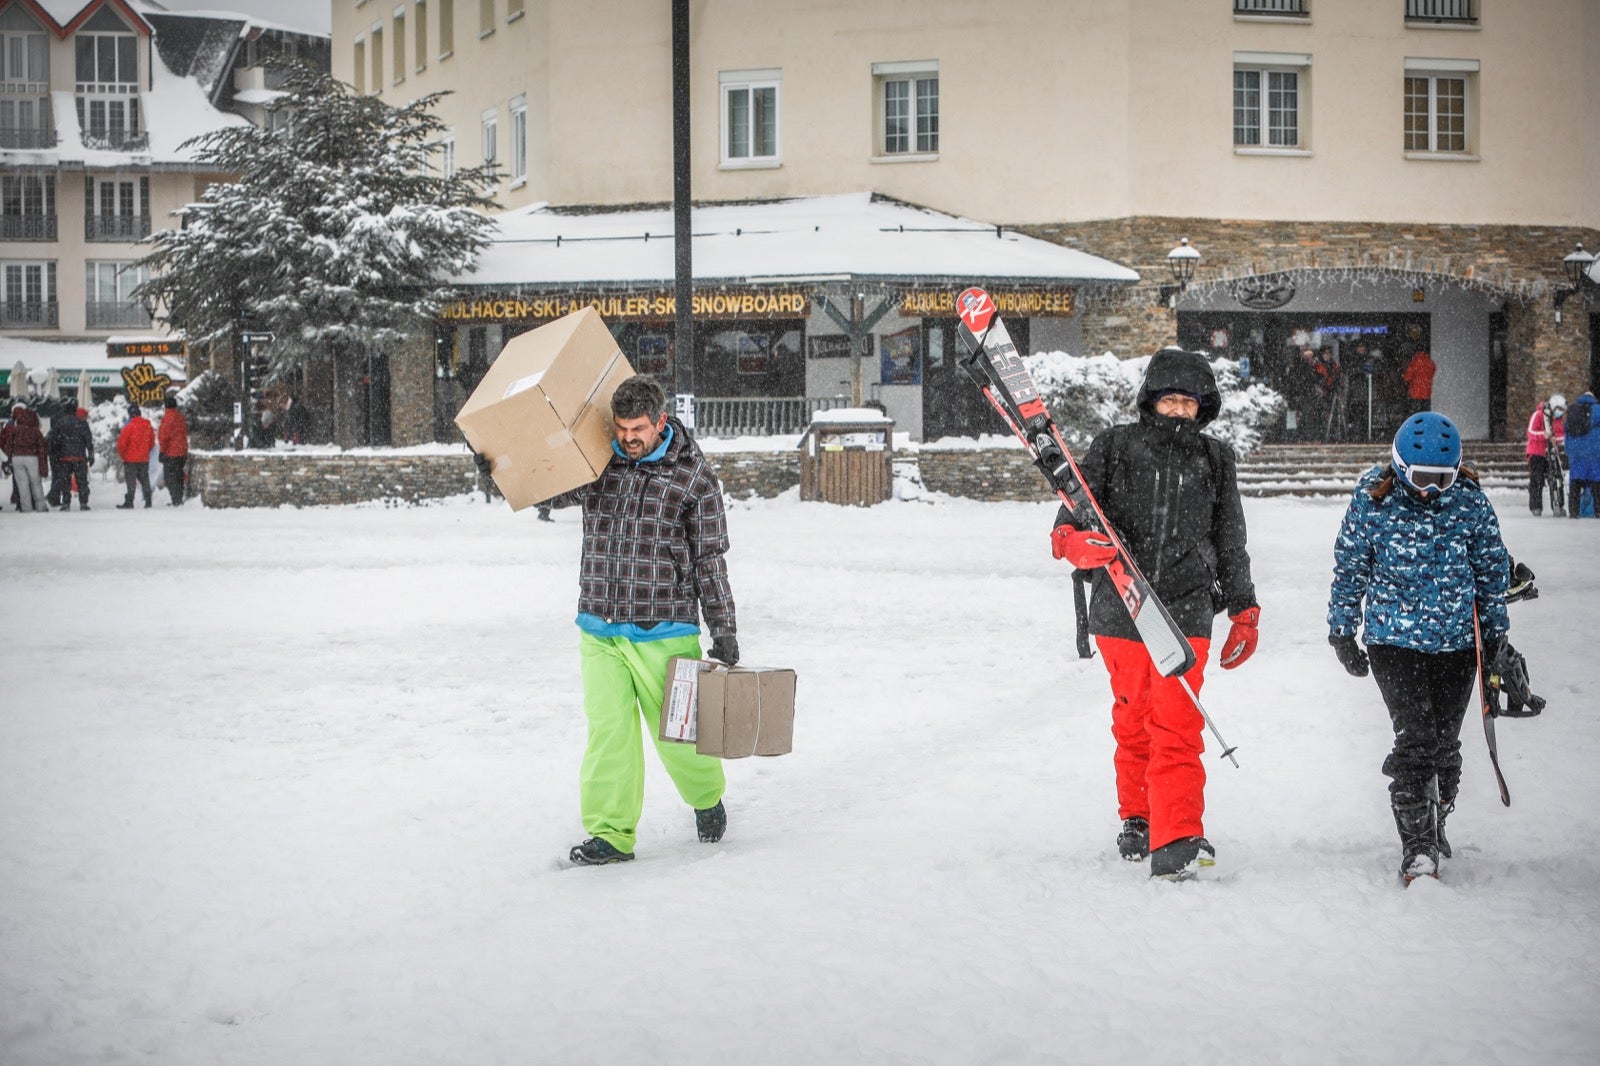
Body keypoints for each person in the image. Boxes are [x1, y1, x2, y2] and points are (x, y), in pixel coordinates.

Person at [1049, 347, 1259, 881]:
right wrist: (1072, 543)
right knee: (1134, 720)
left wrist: (1244, 608)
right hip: (1121, 607)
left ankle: (1179, 836)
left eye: (1190, 402)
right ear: (1152, 400)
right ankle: (1138, 817)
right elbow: (1073, 511)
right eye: (1171, 399)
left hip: (1187, 608)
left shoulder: (1215, 458)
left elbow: (1231, 536)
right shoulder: (1115, 446)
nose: (1180, 409)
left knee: (1179, 726)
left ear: (1204, 407)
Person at [525, 375, 738, 866]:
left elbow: (710, 559)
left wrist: (723, 629)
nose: (628, 438)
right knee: (609, 736)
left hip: (665, 628)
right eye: (621, 428)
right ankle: (611, 834)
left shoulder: (693, 479)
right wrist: (500, 467)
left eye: (638, 428)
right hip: (599, 624)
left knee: (680, 737)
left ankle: (706, 799)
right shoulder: (600, 462)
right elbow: (548, 490)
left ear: (660, 421)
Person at [1327, 412, 1512, 883]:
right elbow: (1351, 567)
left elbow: (1492, 574)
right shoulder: (1374, 498)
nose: (1431, 490)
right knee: (1416, 739)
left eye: (1441, 480)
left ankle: (1437, 815)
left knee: (1446, 743)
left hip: (1455, 643)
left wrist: (1494, 637)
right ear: (1399, 467)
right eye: (1421, 479)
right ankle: (1417, 846)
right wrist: (1342, 630)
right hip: (1394, 642)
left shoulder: (1469, 502)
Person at [0, 404, 50, 512]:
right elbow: (42, 449)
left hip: (16, 458)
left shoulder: (15, 430)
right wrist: (43, 466)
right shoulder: (36, 432)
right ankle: (41, 506)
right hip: (32, 458)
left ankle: (26, 507)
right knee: (36, 483)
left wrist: (9, 458)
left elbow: (9, 445)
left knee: (22, 484)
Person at [1524, 393, 1565, 516]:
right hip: (1536, 452)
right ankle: (1536, 507)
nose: (1560, 413)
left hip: (1551, 452)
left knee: (1557, 479)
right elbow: (1530, 432)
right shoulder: (1538, 415)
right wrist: (1544, 435)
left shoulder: (1558, 420)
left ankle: (1558, 504)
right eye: (1559, 409)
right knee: (1537, 480)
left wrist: (1555, 440)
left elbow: (1561, 435)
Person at [46, 406, 94, 510]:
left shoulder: (60, 423)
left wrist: (54, 452)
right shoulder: (82, 423)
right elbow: (88, 440)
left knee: (65, 481)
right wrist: (91, 455)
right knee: (82, 481)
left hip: (64, 458)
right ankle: (83, 503)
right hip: (80, 457)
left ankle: (66, 503)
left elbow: (51, 437)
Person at [1564, 389, 1600, 518]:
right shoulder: (1598, 409)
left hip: (1577, 453)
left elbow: (1566, 430)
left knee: (1576, 482)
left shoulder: (1573, 410)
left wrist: (1569, 450)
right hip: (1595, 453)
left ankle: (1573, 511)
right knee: (1597, 483)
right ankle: (1598, 511)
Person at [116, 404, 156, 509]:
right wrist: (145, 451)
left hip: (130, 459)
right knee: (145, 480)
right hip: (143, 459)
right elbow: (152, 442)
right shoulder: (148, 426)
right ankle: (148, 501)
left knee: (131, 482)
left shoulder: (128, 427)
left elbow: (121, 444)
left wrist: (123, 455)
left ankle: (129, 502)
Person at [157, 394, 190, 506]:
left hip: (171, 453)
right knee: (179, 475)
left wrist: (162, 451)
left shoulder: (167, 418)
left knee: (170, 477)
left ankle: (176, 500)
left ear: (166, 406)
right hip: (182, 451)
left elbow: (164, 437)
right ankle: (179, 498)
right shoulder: (180, 417)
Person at [1401, 348, 1436, 418]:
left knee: (1415, 416)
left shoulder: (1416, 361)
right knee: (1425, 415)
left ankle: (1417, 427)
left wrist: (1403, 375)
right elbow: (1433, 371)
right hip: (1426, 394)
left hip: (1415, 394)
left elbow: (1407, 377)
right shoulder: (1430, 362)